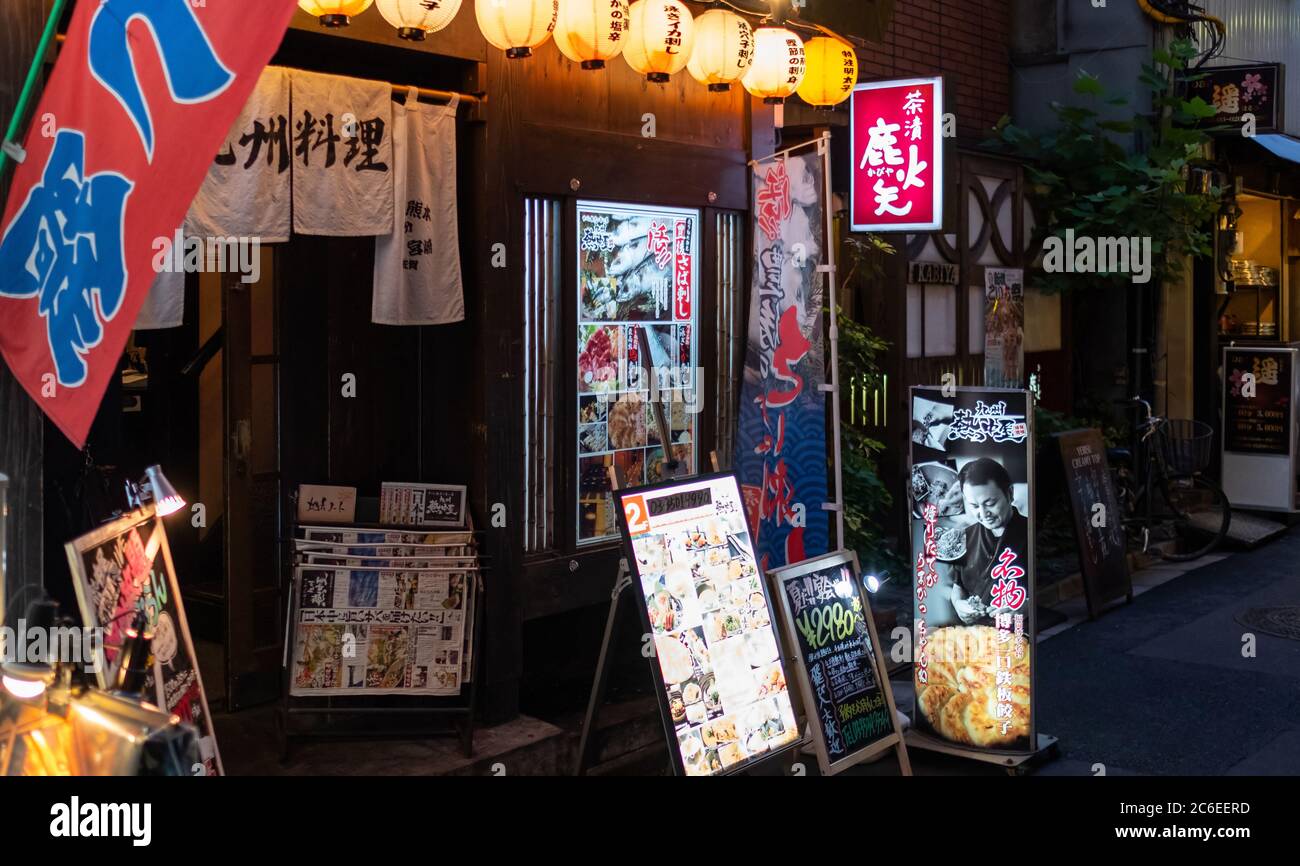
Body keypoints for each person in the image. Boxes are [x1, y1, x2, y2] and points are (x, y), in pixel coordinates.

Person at [948, 457, 1029, 627]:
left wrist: (1026, 605)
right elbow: (958, 586)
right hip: (976, 637)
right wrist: (958, 604)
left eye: (990, 503)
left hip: (1020, 634)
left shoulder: (1031, 532)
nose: (984, 514)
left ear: (1010, 493)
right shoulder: (963, 537)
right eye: (974, 506)